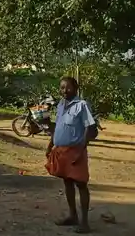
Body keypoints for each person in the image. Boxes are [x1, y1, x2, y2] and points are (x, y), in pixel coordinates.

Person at [45, 76, 95, 233]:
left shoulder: (82, 105)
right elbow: (58, 127)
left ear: (76, 88)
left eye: (68, 87)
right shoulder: (60, 105)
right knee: (67, 182)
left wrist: (82, 148)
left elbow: (90, 128)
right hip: (61, 150)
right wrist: (50, 145)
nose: (64, 91)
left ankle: (84, 222)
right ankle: (72, 216)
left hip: (76, 151)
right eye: (62, 88)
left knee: (81, 184)